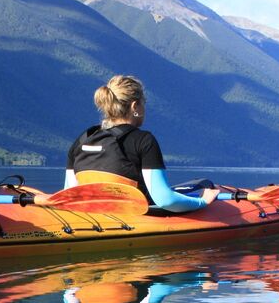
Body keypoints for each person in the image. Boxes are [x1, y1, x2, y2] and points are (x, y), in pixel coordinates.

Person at [64, 75, 218, 213]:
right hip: (134, 217)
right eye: (143, 104)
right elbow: (164, 199)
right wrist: (202, 201)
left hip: (89, 214)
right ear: (135, 107)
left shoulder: (83, 139)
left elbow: (68, 193)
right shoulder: (143, 141)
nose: (144, 109)